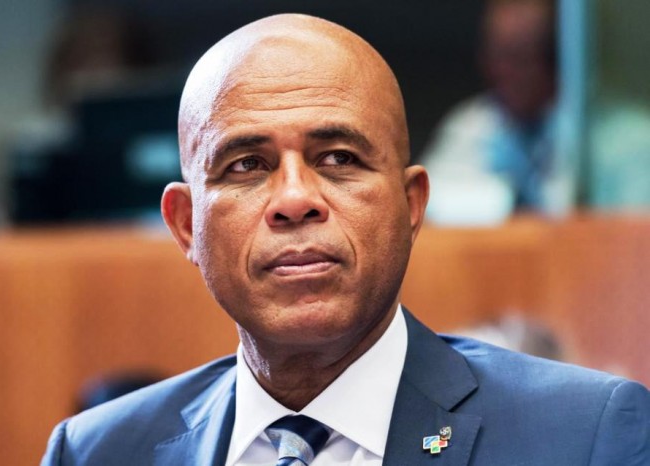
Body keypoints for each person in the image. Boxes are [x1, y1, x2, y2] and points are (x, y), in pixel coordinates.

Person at [41, 13, 649, 465]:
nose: (294, 199)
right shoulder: (96, 451)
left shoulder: (585, 435)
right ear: (185, 225)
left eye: (337, 158)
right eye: (247, 165)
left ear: (411, 206)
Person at [421, 0, 569, 222]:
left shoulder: (596, 133)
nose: (502, 71)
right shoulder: (469, 125)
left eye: (518, 57)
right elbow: (427, 203)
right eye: (496, 56)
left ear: (553, 60)